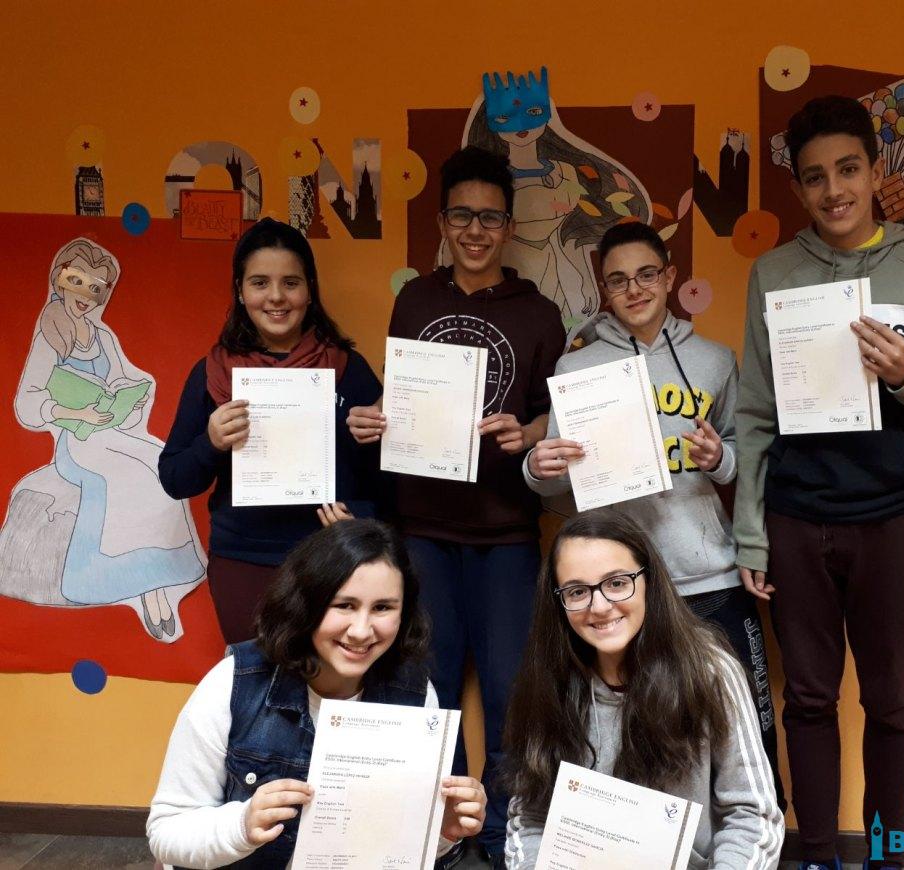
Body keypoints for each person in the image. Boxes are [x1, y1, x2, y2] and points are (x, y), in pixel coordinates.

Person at [734, 95, 904, 870]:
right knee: (809, 699)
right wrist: (752, 532)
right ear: (798, 189)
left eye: (848, 169)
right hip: (798, 516)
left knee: (893, 702)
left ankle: (886, 858)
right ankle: (816, 855)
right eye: (814, 177)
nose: (833, 190)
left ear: (877, 172)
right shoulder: (773, 274)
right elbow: (755, 414)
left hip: (898, 517)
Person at [347, 146, 566, 866]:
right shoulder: (415, 300)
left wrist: (527, 432)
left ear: (509, 227)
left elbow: (555, 414)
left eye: (490, 218)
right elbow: (403, 399)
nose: (476, 230)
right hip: (422, 528)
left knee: (510, 691)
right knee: (428, 690)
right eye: (463, 216)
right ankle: (440, 834)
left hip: (507, 529)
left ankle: (502, 835)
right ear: (443, 222)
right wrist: (375, 420)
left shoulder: (539, 314)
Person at [523, 220, 785, 807]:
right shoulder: (575, 371)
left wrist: (720, 459)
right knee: (638, 735)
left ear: (669, 277)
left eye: (646, 275)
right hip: (618, 590)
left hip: (709, 577)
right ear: (604, 289)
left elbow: (746, 458)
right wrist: (537, 468)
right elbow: (559, 486)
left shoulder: (714, 360)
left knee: (745, 723)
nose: (634, 289)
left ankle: (762, 832)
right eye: (618, 280)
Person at [147, 519, 487, 869]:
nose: (361, 631)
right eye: (344, 605)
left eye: (383, 608)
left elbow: (397, 851)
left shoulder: (414, 695)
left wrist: (443, 832)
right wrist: (242, 825)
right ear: (306, 603)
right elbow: (166, 832)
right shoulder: (235, 683)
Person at [502, 509, 784, 869]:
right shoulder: (546, 681)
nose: (600, 606)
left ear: (649, 579)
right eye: (577, 591)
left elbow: (753, 815)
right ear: (558, 601)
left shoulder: (710, 671)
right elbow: (529, 819)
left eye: (617, 583)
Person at [159, 218, 383, 644]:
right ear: (240, 291)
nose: (276, 297)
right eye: (260, 283)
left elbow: (387, 480)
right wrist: (211, 443)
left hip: (329, 560)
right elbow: (174, 478)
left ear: (309, 291)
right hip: (242, 561)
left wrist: (359, 514)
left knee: (329, 679)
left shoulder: (348, 370)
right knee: (253, 678)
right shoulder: (213, 374)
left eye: (290, 283)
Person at [2, 237, 204, 640]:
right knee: (125, 477)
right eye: (77, 282)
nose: (85, 295)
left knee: (159, 464)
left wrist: (132, 394)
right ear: (59, 280)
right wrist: (78, 413)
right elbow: (28, 403)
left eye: (95, 287)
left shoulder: (102, 336)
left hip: (110, 431)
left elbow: (119, 380)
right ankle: (135, 588)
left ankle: (155, 582)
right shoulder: (51, 335)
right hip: (78, 442)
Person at [458, 67, 651, 328]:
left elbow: (566, 236)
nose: (521, 126)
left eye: (533, 113)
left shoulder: (565, 173)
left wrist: (582, 279)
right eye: (505, 117)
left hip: (554, 268)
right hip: (506, 275)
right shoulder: (492, 183)